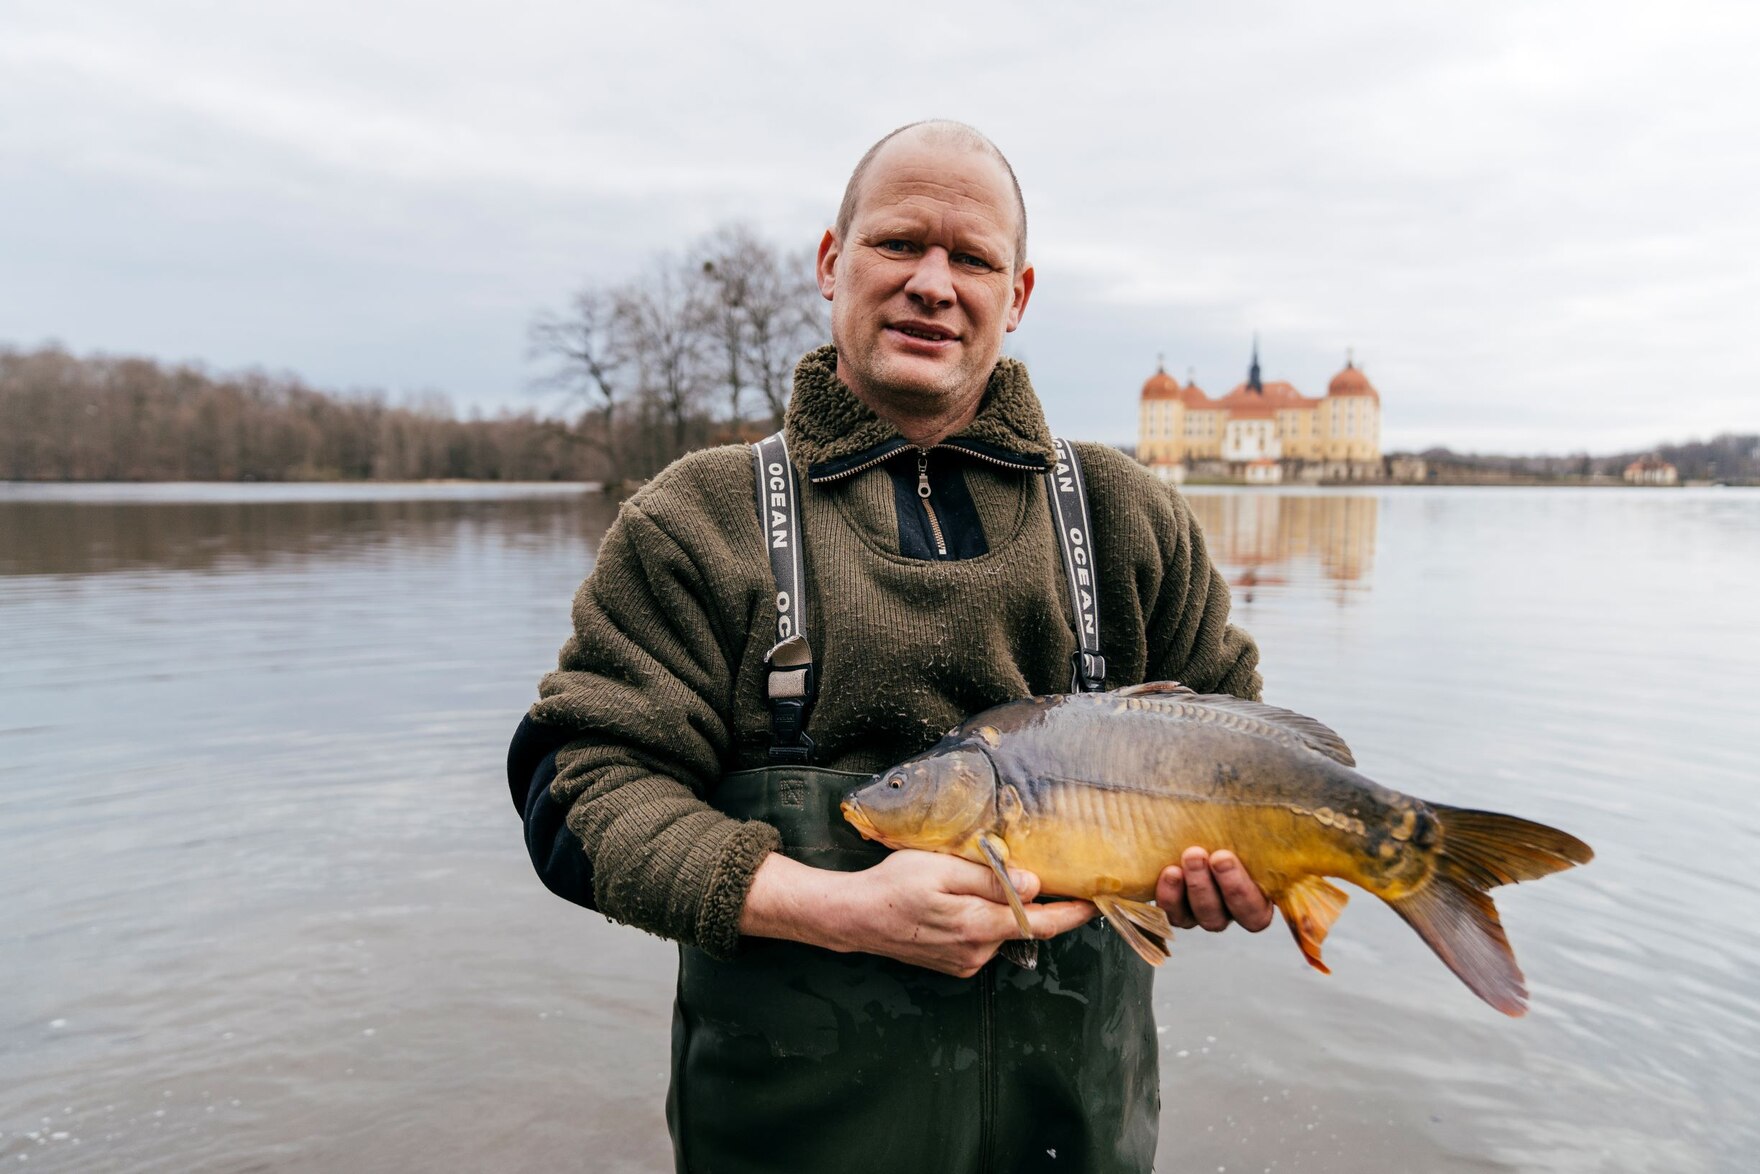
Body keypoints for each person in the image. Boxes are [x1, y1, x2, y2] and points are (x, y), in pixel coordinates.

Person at [509, 120, 1271, 1174]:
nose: (931, 281)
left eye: (971, 258)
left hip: (1076, 1136)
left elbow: (1247, 756)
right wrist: (833, 910)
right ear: (831, 263)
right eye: (898, 243)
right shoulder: (699, 518)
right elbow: (573, 798)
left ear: (1019, 295)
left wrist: (1235, 875)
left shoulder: (1126, 519)